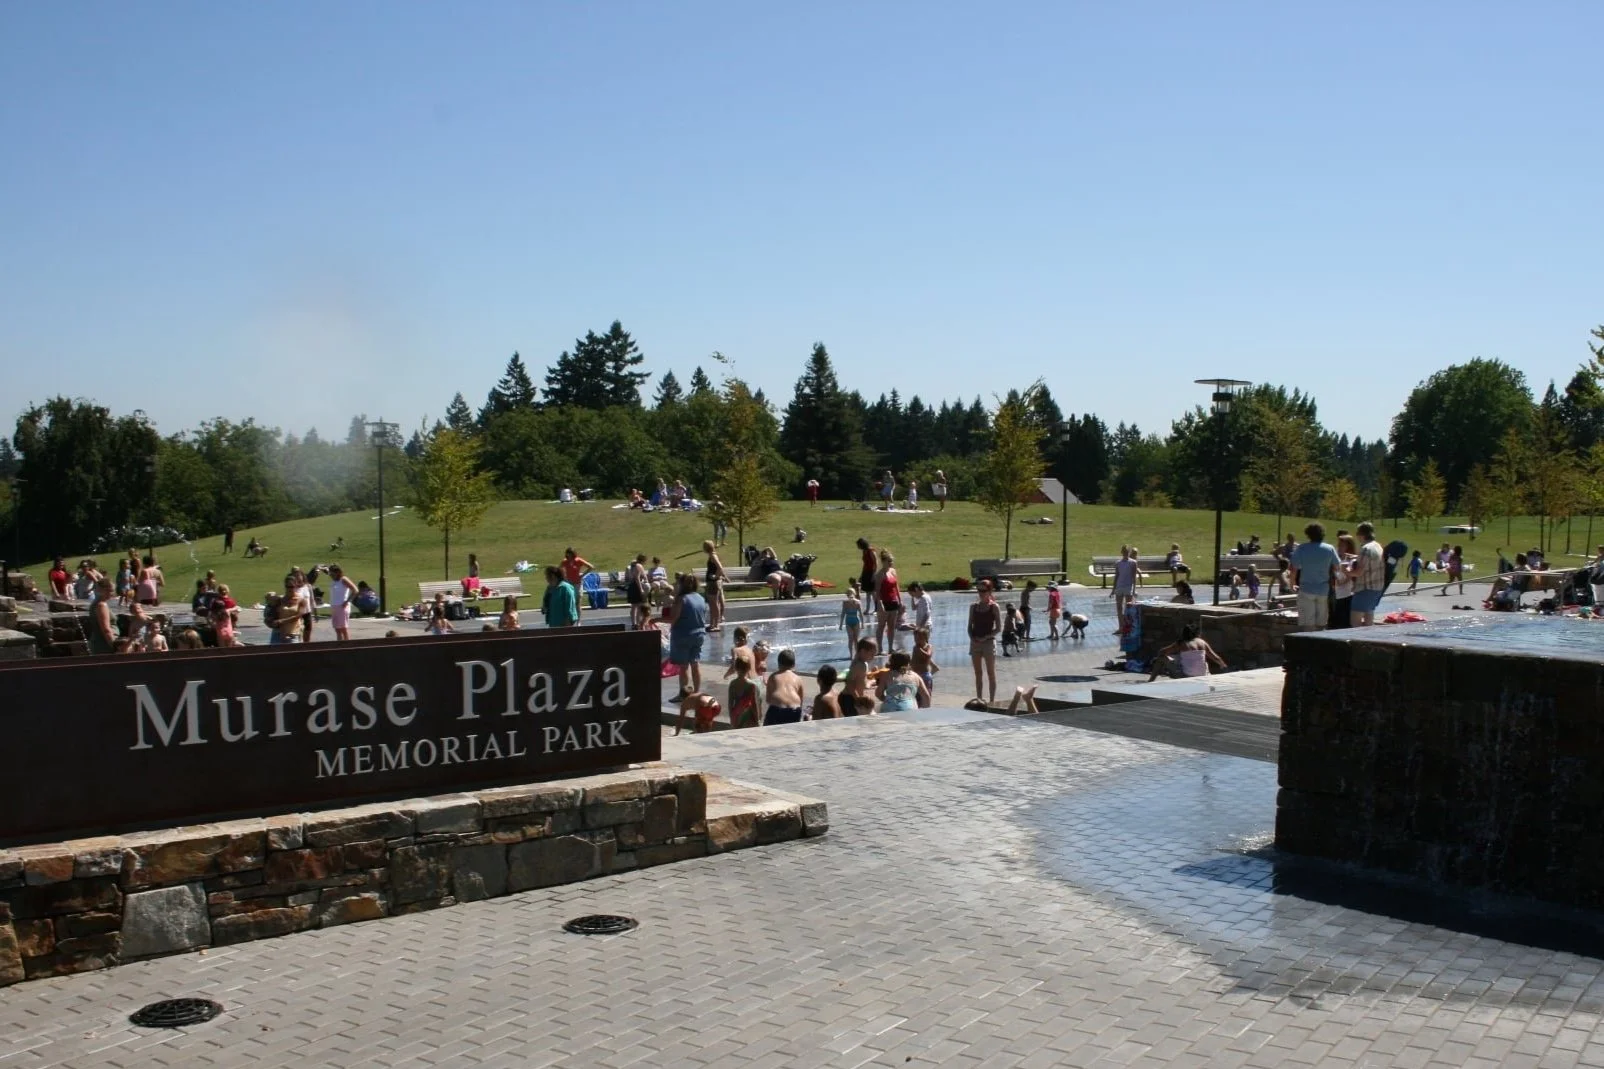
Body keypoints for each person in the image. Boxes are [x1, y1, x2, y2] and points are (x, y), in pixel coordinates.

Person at [1289, 523, 1341, 632]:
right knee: (1321, 622)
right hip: (1323, 589)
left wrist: (1292, 583)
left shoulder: (1302, 548)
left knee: (1308, 622)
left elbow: (1294, 568)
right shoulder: (1329, 548)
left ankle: (1308, 645)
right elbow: (1337, 566)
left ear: (1308, 534)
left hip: (1306, 588)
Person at [667, 573, 708, 700]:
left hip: (683, 634)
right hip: (699, 634)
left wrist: (655, 620)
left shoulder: (681, 599)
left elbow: (673, 619)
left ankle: (683, 694)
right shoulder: (700, 598)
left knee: (684, 667)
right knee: (695, 664)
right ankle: (697, 692)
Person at [1147, 623, 1227, 681]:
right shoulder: (1202, 642)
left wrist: (1158, 659)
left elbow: (1162, 651)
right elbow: (1216, 658)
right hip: (1203, 675)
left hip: (1186, 676)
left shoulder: (1181, 643)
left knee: (1161, 659)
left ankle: (1151, 680)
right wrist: (1223, 666)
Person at [968, 580, 1002, 706]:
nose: (980, 593)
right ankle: (979, 699)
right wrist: (972, 637)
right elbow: (969, 626)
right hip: (975, 642)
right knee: (978, 673)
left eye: (983, 591)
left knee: (990, 672)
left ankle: (992, 700)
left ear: (989, 591)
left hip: (988, 643)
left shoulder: (994, 607)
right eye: (978, 590)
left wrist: (986, 637)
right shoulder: (973, 607)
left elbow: (998, 628)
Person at [764, 648, 807, 725]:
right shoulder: (798, 679)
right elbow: (801, 700)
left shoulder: (773, 676)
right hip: (795, 710)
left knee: (768, 731)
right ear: (794, 664)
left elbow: (768, 699)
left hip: (777, 709)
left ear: (778, 664)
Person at [874, 550, 902, 651]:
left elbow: (896, 586)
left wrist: (900, 599)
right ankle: (880, 648)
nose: (891, 563)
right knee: (881, 626)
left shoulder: (893, 571)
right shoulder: (879, 575)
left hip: (893, 601)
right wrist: (880, 604)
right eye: (889, 561)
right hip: (884, 602)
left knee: (891, 626)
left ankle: (890, 647)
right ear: (884, 561)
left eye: (892, 561)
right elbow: (877, 591)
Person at [726, 649, 761, 729]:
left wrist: (732, 718)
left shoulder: (732, 684)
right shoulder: (752, 685)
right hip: (748, 715)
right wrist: (757, 720)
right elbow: (754, 704)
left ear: (736, 668)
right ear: (749, 668)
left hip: (736, 714)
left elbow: (730, 703)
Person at [843, 638, 878, 716]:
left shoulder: (861, 662)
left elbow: (860, 677)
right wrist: (857, 698)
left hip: (854, 697)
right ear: (862, 651)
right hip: (849, 698)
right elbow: (849, 682)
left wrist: (871, 673)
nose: (873, 657)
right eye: (872, 654)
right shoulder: (859, 665)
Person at [1111, 547, 1141, 631]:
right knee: (1119, 608)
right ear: (1121, 552)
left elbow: (1134, 577)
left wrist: (1134, 589)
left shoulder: (1133, 562)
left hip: (1128, 587)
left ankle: (1128, 626)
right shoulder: (1118, 563)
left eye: (1127, 551)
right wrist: (1113, 589)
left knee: (1128, 608)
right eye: (1124, 551)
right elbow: (1117, 576)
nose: (1125, 553)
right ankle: (1121, 627)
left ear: (1129, 552)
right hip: (1119, 587)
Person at [1330, 535, 1357, 629]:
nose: (1339, 547)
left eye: (1342, 545)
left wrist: (1342, 581)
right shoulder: (1337, 559)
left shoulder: (1352, 560)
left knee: (1344, 621)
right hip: (1337, 594)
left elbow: (1349, 574)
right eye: (1339, 545)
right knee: (1335, 621)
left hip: (1347, 594)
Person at [327, 564, 358, 641]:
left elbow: (355, 590)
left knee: (343, 628)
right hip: (334, 606)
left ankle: (347, 646)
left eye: (332, 573)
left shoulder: (343, 579)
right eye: (330, 573)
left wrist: (347, 601)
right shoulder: (334, 581)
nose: (330, 575)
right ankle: (339, 645)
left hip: (342, 606)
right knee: (337, 629)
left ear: (337, 572)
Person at [271, 576, 305, 644]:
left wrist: (282, 621)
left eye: (291, 586)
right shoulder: (279, 600)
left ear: (296, 586)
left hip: (293, 634)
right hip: (278, 633)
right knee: (273, 654)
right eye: (287, 586)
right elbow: (273, 616)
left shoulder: (301, 600)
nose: (289, 589)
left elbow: (298, 616)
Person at [88, 577, 117, 655]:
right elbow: (106, 629)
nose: (112, 593)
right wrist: (114, 647)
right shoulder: (102, 605)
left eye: (113, 590)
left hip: (99, 642)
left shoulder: (96, 603)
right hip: (104, 644)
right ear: (101, 590)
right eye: (110, 590)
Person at [703, 540, 727, 632]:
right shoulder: (712, 555)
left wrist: (715, 576)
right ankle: (712, 623)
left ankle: (716, 624)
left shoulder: (713, 555)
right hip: (711, 582)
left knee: (714, 604)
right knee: (712, 604)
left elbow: (720, 567)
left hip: (713, 583)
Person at [910, 627, 938, 704]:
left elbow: (928, 656)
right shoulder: (915, 647)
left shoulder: (928, 646)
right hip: (915, 675)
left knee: (926, 695)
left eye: (919, 638)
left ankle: (927, 708)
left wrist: (919, 650)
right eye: (915, 638)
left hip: (924, 675)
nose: (917, 640)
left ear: (926, 638)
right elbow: (913, 660)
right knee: (916, 695)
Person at [560, 549, 592, 616]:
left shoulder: (578, 560)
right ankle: (570, 617)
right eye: (567, 553)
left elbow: (591, 567)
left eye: (570, 553)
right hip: (568, 584)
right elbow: (559, 569)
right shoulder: (565, 562)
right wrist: (564, 577)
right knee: (569, 602)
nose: (568, 555)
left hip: (577, 583)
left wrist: (582, 575)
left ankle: (579, 621)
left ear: (573, 554)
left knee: (578, 602)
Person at [625, 553, 650, 630]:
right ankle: (638, 623)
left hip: (632, 586)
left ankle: (634, 623)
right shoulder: (638, 566)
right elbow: (637, 578)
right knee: (639, 606)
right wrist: (641, 589)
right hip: (636, 587)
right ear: (643, 560)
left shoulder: (633, 565)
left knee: (634, 606)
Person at [839, 581, 863, 657]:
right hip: (849, 621)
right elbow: (843, 613)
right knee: (850, 638)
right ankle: (851, 654)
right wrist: (840, 624)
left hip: (855, 620)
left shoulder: (858, 602)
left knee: (856, 639)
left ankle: (857, 654)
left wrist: (863, 623)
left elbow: (861, 613)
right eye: (848, 594)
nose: (849, 596)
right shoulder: (845, 602)